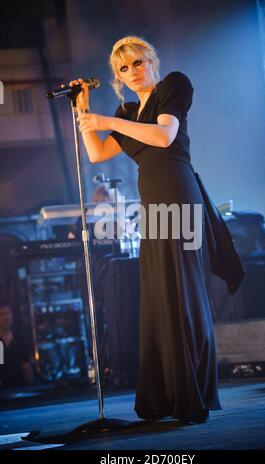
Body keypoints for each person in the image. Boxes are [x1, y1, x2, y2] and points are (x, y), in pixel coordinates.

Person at [70, 35, 244, 423]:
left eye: (136, 63)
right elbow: (98, 153)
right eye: (122, 69)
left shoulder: (173, 86)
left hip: (180, 195)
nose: (131, 73)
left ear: (151, 60)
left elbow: (164, 136)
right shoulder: (129, 112)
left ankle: (191, 394)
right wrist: (85, 114)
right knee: (159, 293)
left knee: (182, 290)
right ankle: (164, 396)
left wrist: (105, 120)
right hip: (153, 203)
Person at [0, 303, 34, 389]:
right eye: (1, 314)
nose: (6, 317)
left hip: (19, 388)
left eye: (8, 313)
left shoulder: (20, 340)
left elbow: (26, 367)